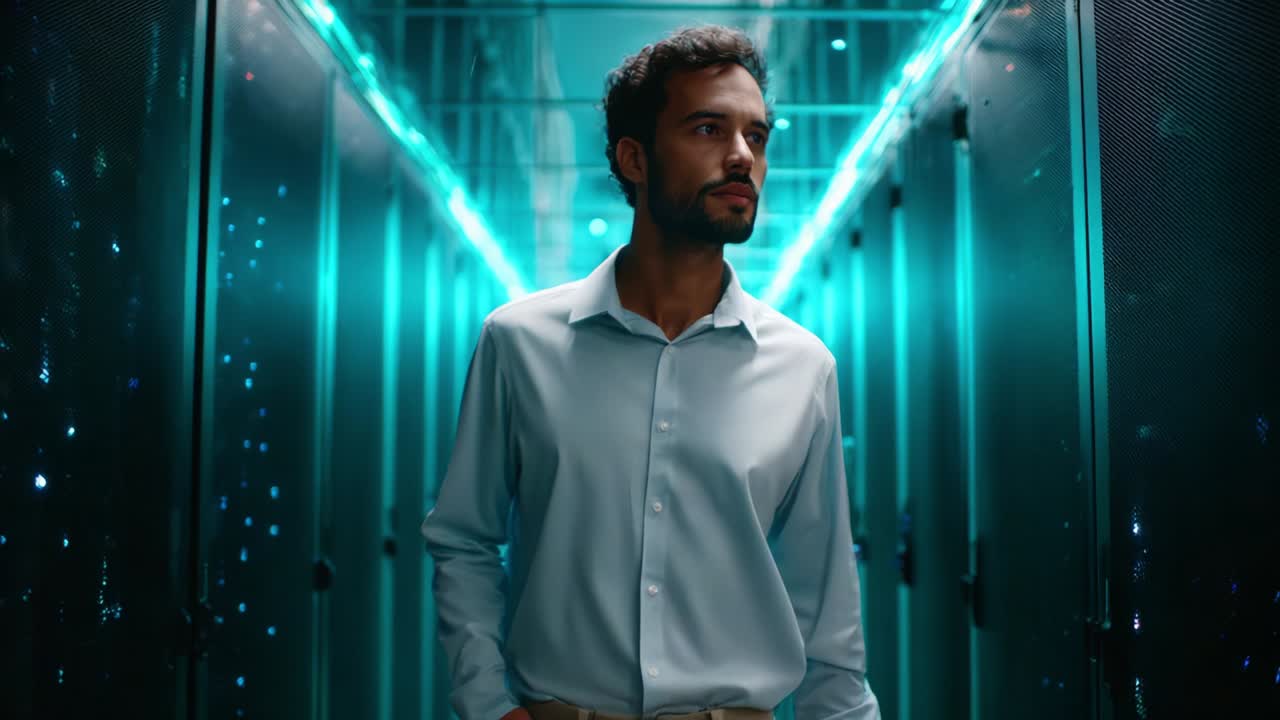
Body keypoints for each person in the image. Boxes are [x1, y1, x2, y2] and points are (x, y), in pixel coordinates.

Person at [422, 24, 879, 720]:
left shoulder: (803, 367)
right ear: (634, 159)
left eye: (756, 136)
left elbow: (827, 607)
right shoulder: (518, 343)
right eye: (707, 129)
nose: (740, 158)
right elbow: (463, 539)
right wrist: (487, 705)